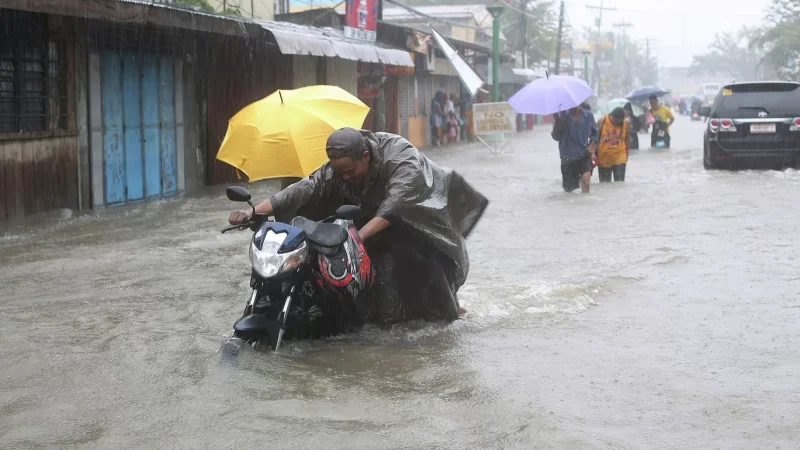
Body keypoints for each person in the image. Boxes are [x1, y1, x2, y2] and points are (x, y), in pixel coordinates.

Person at [228, 128, 488, 325]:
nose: (346, 178)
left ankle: (452, 315)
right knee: (368, 287)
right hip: (372, 227)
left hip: (419, 228)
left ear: (366, 156)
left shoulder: (399, 156)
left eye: (350, 171)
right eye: (340, 174)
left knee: (432, 292)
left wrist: (355, 239)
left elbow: (396, 205)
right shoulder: (340, 168)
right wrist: (254, 211)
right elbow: (307, 187)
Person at [551, 106, 599, 193]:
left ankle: (585, 203)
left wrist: (592, 143)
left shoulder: (588, 116)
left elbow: (595, 132)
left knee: (586, 180)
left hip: (584, 154)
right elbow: (556, 137)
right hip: (567, 157)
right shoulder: (562, 116)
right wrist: (557, 121)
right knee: (569, 189)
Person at [596, 107, 630, 182]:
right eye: (615, 121)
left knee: (620, 183)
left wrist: (627, 153)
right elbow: (595, 138)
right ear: (612, 116)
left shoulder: (626, 123)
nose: (617, 123)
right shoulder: (602, 120)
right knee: (605, 184)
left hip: (620, 156)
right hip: (604, 157)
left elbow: (627, 139)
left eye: (620, 122)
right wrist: (594, 154)